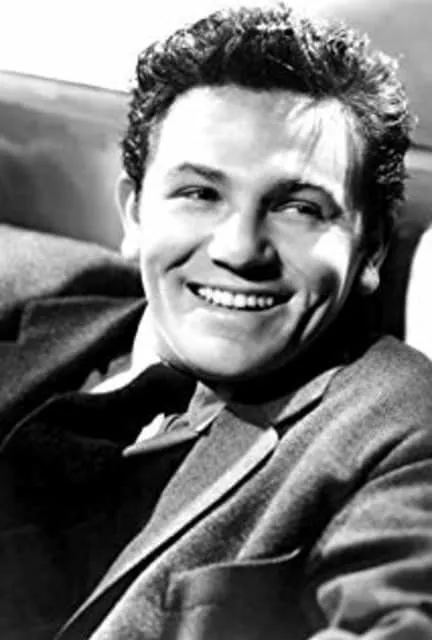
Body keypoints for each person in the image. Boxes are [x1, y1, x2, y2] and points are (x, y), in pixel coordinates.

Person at [1, 4, 432, 639]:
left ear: (370, 252)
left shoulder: (399, 426)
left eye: (298, 207)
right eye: (200, 194)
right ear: (134, 213)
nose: (238, 249)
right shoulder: (26, 293)